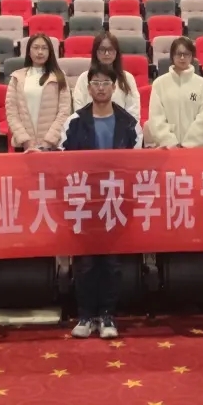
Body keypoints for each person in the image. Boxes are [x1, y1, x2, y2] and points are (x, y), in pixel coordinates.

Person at [59, 64, 142, 340]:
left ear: (114, 87)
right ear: (89, 87)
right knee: (85, 262)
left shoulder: (129, 123)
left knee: (111, 262)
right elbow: (62, 158)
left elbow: (136, 162)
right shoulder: (75, 121)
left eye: (106, 82)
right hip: (84, 201)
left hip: (115, 201)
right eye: (96, 82)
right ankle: (85, 315)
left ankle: (107, 315)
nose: (101, 87)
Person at [5, 33, 72, 151]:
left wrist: (48, 142)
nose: (40, 52)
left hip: (52, 146)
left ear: (50, 52)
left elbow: (64, 111)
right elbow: (12, 112)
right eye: (36, 48)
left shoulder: (59, 77)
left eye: (44, 48)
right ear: (29, 51)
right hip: (24, 145)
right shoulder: (17, 77)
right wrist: (25, 141)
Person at [145, 37, 203, 148]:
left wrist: (188, 145)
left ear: (192, 56)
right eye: (178, 54)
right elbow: (156, 118)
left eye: (186, 54)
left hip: (196, 149)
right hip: (167, 149)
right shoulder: (159, 84)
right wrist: (171, 143)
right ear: (172, 56)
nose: (182, 58)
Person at [72, 32, 141, 121]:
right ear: (95, 52)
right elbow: (78, 109)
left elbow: (133, 111)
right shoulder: (84, 78)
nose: (107, 53)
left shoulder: (127, 78)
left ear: (116, 52)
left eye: (110, 49)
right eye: (102, 49)